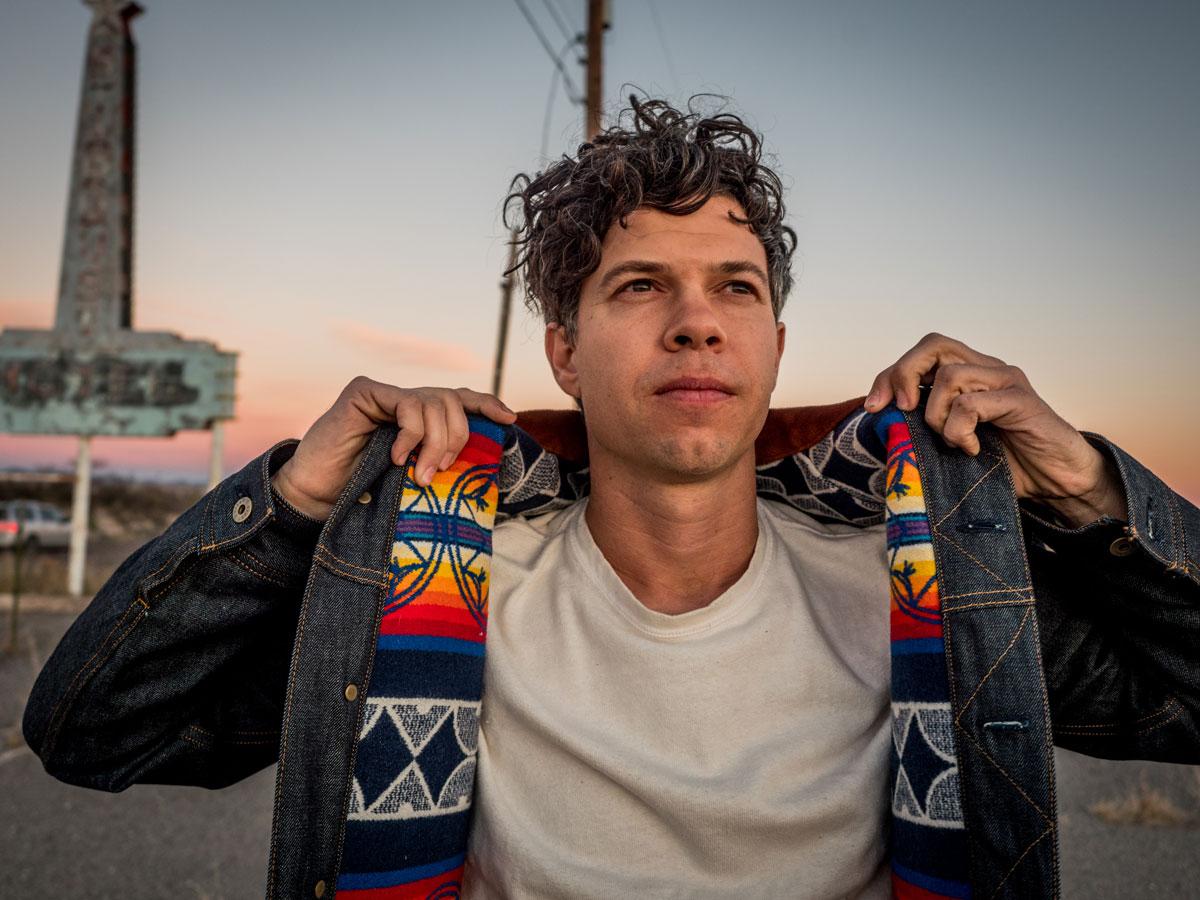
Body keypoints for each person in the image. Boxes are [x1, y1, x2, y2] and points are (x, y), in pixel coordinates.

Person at [24, 98, 1200, 900]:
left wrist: (1092, 493)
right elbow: (93, 732)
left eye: (732, 287)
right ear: (565, 355)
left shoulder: (927, 601)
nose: (696, 318)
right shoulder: (430, 599)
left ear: (774, 345)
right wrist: (288, 503)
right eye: (641, 285)